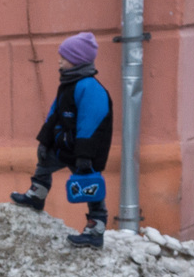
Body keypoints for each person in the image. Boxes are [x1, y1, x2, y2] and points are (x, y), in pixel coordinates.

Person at [10, 31, 115, 249]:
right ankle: (37, 195)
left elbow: (90, 122)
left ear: (77, 60)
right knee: (45, 162)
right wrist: (44, 141)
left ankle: (95, 229)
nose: (59, 60)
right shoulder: (67, 85)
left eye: (64, 57)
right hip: (65, 146)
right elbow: (53, 115)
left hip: (86, 150)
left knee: (91, 186)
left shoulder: (89, 87)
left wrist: (85, 155)